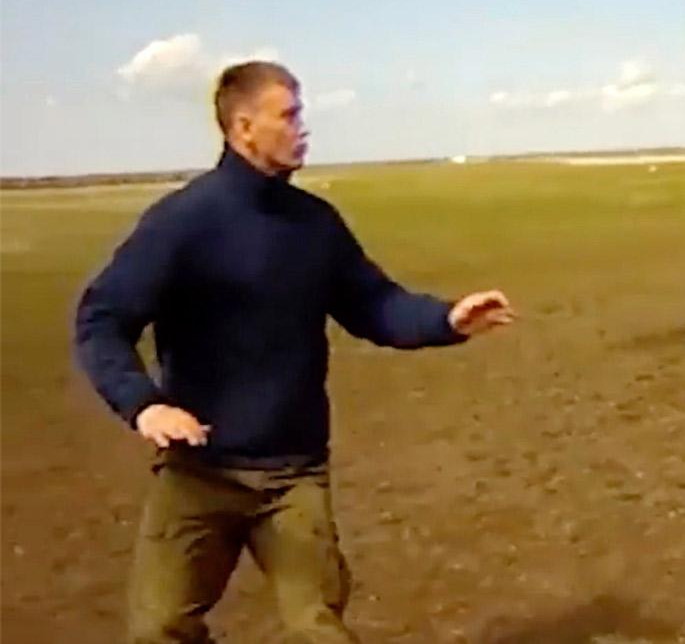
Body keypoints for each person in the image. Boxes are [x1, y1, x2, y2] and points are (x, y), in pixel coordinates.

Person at [72, 60, 514, 643]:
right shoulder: (184, 222)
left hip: (293, 476)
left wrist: (445, 319)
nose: (304, 128)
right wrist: (145, 405)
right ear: (244, 126)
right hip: (200, 472)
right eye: (290, 115)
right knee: (160, 629)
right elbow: (101, 319)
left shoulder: (315, 225)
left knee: (318, 629)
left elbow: (374, 304)